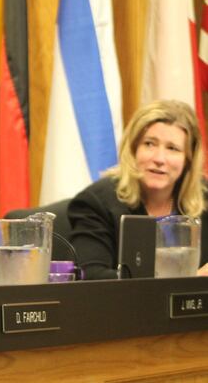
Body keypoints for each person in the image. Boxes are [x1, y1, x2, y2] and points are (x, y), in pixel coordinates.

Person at [68, 100, 208, 280]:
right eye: (149, 144)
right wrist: (187, 281)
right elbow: (90, 276)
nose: (159, 158)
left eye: (173, 148)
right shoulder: (96, 202)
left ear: (188, 160)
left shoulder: (204, 199)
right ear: (133, 149)